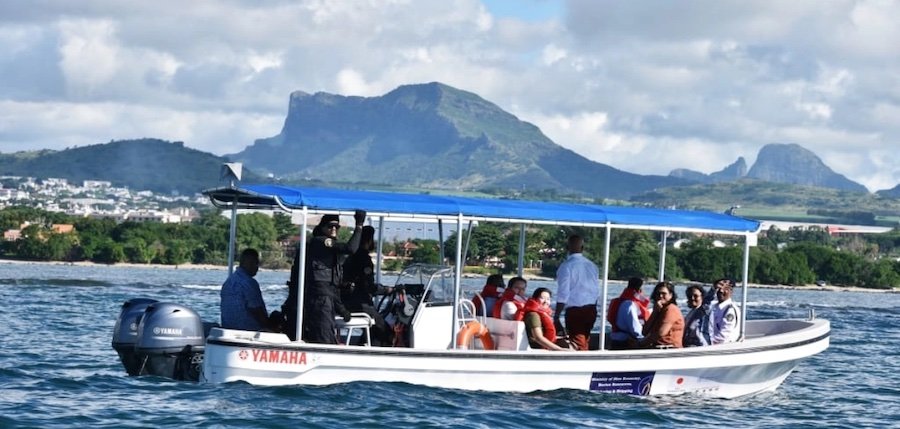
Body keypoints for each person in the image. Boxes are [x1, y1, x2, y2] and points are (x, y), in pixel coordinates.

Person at [283, 210, 366, 343]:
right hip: (319, 301)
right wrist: (359, 225)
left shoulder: (329, 252)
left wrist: (342, 310)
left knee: (326, 335)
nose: (334, 229)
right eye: (330, 226)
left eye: (336, 227)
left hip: (325, 300)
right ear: (322, 227)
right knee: (324, 338)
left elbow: (331, 287)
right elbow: (350, 249)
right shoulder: (320, 242)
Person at [341, 225, 393, 346]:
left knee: (374, 325)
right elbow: (369, 287)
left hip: (346, 300)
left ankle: (363, 345)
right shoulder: (364, 259)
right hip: (358, 302)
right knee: (383, 329)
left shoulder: (351, 256)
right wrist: (387, 290)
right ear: (369, 240)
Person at [554, 234, 600, 351]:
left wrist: (557, 315)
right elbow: (595, 289)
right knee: (584, 338)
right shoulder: (592, 265)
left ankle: (583, 365)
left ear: (567, 248)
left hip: (575, 310)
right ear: (582, 248)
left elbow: (563, 293)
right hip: (591, 309)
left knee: (577, 343)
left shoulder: (566, 267)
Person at [220, 248, 272, 331]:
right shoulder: (249, 282)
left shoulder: (229, 281)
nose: (257, 267)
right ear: (249, 263)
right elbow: (256, 310)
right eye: (256, 263)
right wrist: (270, 326)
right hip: (248, 331)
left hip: (228, 330)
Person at [607, 277, 651, 350]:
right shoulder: (630, 305)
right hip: (625, 342)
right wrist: (646, 339)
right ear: (639, 289)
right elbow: (635, 329)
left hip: (616, 338)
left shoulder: (619, 301)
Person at [638, 281, 684, 348]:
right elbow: (644, 331)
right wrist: (654, 312)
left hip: (669, 348)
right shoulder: (659, 309)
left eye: (664, 293)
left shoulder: (671, 309)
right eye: (658, 293)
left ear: (670, 295)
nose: (660, 296)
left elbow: (661, 333)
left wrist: (641, 344)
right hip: (656, 346)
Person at [709, 278, 740, 344]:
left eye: (725, 288)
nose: (721, 291)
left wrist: (707, 344)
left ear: (731, 291)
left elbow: (723, 337)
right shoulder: (714, 307)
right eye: (719, 288)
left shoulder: (730, 310)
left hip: (723, 347)